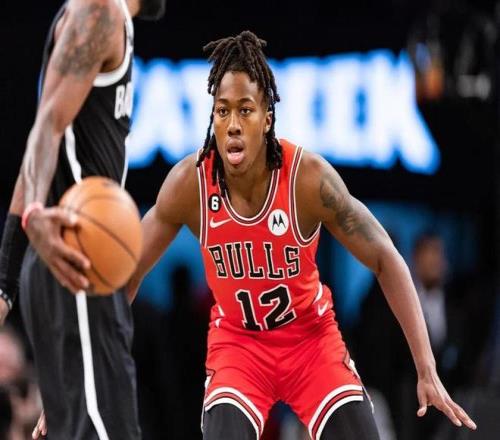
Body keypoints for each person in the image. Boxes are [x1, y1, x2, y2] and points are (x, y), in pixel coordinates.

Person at [127, 30, 476, 440]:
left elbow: (385, 258)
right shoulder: (190, 184)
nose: (233, 125)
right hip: (239, 345)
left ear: (267, 118)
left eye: (245, 110)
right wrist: (91, 365)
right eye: (222, 111)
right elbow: (127, 273)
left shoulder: (307, 179)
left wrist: (426, 367)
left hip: (310, 341)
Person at [0, 0, 166, 438]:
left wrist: (5, 285)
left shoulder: (107, 19)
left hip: (74, 265)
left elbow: (43, 137)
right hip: (75, 258)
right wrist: (35, 214)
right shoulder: (100, 11)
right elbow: (47, 127)